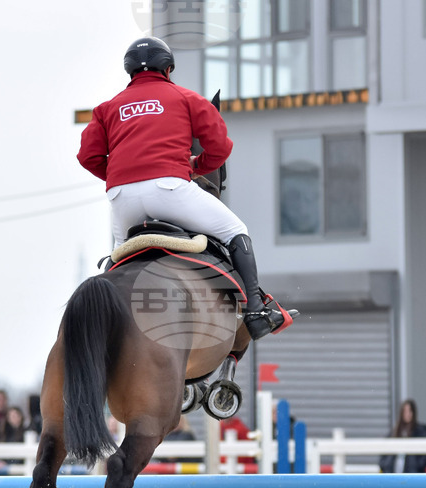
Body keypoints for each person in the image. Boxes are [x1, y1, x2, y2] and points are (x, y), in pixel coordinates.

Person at [76, 36, 295, 340]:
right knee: (236, 230)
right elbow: (220, 146)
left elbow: (87, 156)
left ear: (130, 72)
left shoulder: (106, 109)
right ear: (167, 69)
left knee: (116, 261)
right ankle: (256, 312)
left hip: (122, 200)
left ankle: (103, 327)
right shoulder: (186, 98)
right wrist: (194, 167)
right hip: (170, 189)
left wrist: (120, 175)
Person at [378, 399, 426, 474]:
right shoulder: (394, 432)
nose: (408, 414)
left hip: (412, 474)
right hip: (393, 473)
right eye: (405, 411)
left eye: (410, 411)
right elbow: (384, 452)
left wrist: (418, 465)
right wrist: (385, 465)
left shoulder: (421, 431)